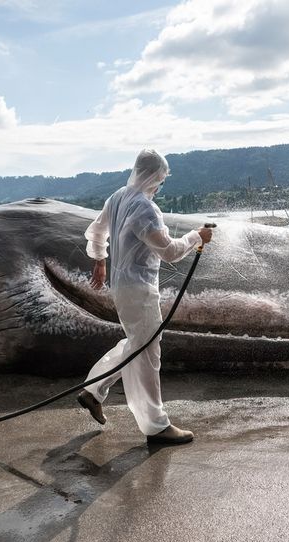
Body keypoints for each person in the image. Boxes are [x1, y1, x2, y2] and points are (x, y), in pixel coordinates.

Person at [76, 149, 212, 445]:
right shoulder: (145, 209)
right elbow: (171, 252)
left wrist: (99, 259)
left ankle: (93, 390)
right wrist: (196, 236)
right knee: (148, 354)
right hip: (139, 289)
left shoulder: (118, 197)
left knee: (137, 343)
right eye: (161, 180)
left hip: (121, 287)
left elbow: (96, 231)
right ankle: (156, 426)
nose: (160, 186)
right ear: (154, 177)